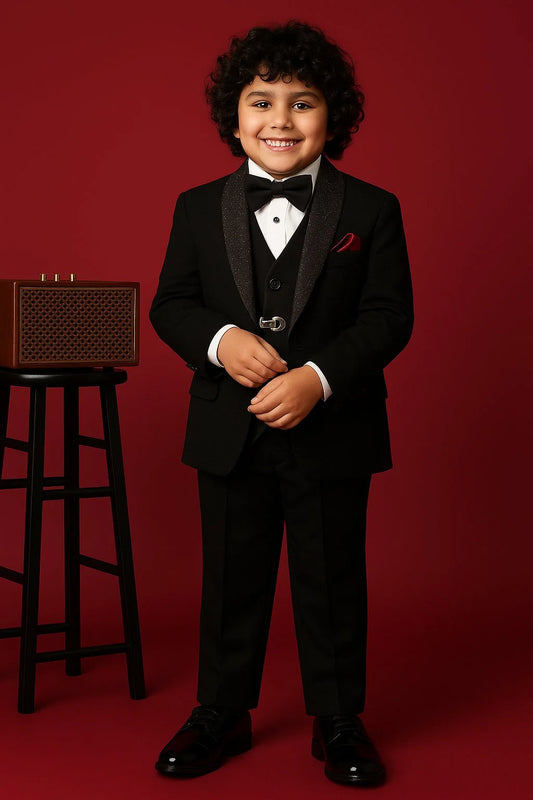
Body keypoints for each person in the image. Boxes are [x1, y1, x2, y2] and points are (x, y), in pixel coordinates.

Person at [149, 20, 413, 787]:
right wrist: (222, 340)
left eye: (302, 104)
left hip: (333, 428)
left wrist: (318, 377)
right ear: (233, 116)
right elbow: (172, 304)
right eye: (261, 101)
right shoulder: (197, 207)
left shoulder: (372, 208)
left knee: (331, 576)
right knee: (231, 574)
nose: (280, 120)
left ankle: (337, 720)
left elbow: (388, 316)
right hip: (228, 429)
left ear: (334, 117)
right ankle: (221, 711)